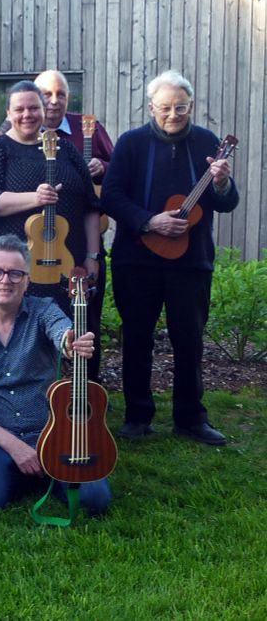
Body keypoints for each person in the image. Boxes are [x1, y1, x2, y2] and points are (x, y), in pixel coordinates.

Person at [101, 70, 239, 446]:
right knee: (137, 337)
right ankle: (137, 416)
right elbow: (110, 197)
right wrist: (148, 221)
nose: (173, 114)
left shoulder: (208, 143)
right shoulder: (131, 144)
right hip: (137, 261)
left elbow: (226, 202)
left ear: (190, 106)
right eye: (165, 107)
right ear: (151, 108)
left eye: (180, 107)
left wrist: (223, 182)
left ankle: (191, 418)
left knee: (189, 339)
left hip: (191, 262)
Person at [0, 234, 112, 514]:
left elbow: (60, 330)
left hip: (54, 433)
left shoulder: (44, 310)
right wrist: (14, 447)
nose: (5, 280)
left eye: (15, 273)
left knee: (95, 501)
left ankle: (34, 473)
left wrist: (71, 342)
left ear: (27, 280)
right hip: (0, 437)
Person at [0, 80, 101, 313]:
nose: (27, 115)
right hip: (11, 272)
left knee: (69, 335)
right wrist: (36, 198)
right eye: (19, 109)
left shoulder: (67, 149)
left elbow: (90, 205)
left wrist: (92, 256)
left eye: (33, 108)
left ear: (42, 110)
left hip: (66, 261)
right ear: (9, 113)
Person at [35, 70, 114, 382]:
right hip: (39, 242)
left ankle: (87, 388)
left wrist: (103, 166)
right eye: (46, 94)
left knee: (86, 316)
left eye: (61, 94)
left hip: (85, 240)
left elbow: (118, 168)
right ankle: (42, 387)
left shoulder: (87, 128)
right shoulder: (24, 130)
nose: (54, 101)